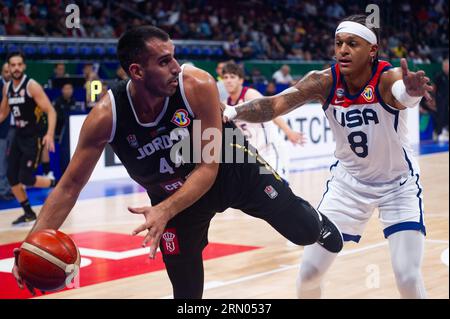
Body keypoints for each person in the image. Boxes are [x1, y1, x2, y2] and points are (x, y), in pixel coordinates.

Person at [11, 26, 343, 298]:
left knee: (304, 232)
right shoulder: (106, 117)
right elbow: (68, 187)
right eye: (165, 61)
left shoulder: (196, 85)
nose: (176, 67)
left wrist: (164, 210)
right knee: (185, 294)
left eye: (175, 57)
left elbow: (209, 168)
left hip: (233, 170)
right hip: (174, 200)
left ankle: (317, 219)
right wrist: (31, 248)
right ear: (137, 71)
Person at [223, 15, 433, 299]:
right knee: (308, 274)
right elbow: (274, 105)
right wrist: (232, 111)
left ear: (373, 50)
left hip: (398, 187)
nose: (343, 50)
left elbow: (403, 93)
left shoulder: (388, 77)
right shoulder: (322, 81)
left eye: (353, 44)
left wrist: (412, 94)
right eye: (339, 43)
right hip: (348, 186)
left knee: (407, 277)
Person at [0, 52, 57, 225]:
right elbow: (3, 112)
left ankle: (56, 184)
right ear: (8, 68)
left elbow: (50, 110)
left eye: (19, 64)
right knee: (11, 177)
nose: (16, 68)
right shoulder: (7, 87)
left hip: (33, 137)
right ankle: (28, 213)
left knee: (25, 178)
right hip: (18, 135)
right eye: (13, 65)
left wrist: (49, 134)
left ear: (24, 66)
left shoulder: (32, 86)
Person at [222, 61, 305, 181]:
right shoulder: (225, 104)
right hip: (252, 156)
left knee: (279, 188)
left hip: (269, 151)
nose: (228, 80)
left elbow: (272, 112)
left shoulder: (250, 95)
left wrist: (288, 132)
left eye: (232, 77)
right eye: (225, 77)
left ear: (240, 80)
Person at [53, 83, 77, 175]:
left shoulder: (74, 101)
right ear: (62, 90)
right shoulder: (57, 102)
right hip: (61, 134)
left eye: (70, 88)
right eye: (66, 89)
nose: (68, 91)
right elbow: (58, 118)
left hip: (72, 133)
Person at [0, 62, 14, 201]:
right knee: (2, 161)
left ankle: (10, 187)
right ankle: (3, 190)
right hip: (2, 129)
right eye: (5, 72)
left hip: (17, 129)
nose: (8, 74)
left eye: (9, 71)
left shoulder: (16, 85)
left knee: (12, 160)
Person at [433, 58, 449, 142]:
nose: (446, 67)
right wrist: (434, 100)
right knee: (440, 117)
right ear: (443, 67)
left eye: (447, 66)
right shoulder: (439, 76)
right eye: (445, 66)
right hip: (440, 100)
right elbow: (434, 88)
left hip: (447, 100)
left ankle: (445, 132)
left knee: (447, 117)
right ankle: (437, 134)